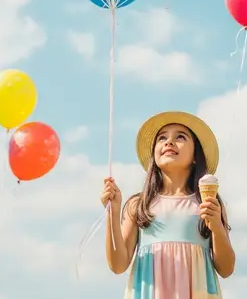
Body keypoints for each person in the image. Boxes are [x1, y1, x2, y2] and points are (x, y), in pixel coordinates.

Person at [100, 111, 235, 298]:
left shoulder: (207, 203)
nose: (169, 142)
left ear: (196, 156)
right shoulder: (139, 205)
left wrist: (217, 228)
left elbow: (226, 269)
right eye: (162, 138)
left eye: (180, 137)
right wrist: (112, 213)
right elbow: (118, 265)